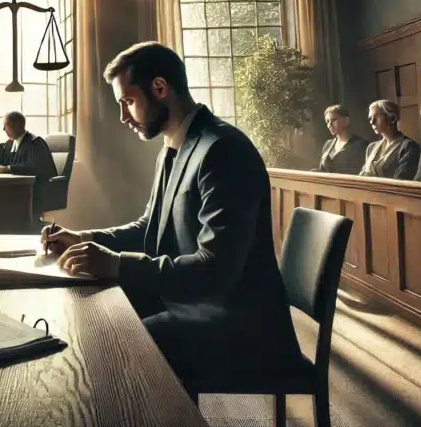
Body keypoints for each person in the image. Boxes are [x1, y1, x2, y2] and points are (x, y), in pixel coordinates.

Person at [40, 42, 302, 386]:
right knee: (96, 314)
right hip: (195, 305)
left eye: (128, 102)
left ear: (160, 88)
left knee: (120, 340)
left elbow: (216, 270)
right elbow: (150, 227)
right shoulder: (174, 146)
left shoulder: (223, 150)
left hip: (243, 327)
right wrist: (86, 238)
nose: (122, 116)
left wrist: (116, 263)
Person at [0, 110, 58, 215]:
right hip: (16, 189)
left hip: (34, 191)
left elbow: (36, 167)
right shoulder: (8, 144)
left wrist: (9, 168)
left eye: (7, 125)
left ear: (18, 125)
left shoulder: (35, 143)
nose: (4, 129)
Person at [359, 99, 420, 179]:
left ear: (392, 118)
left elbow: (401, 180)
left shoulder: (408, 147)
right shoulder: (371, 147)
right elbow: (362, 176)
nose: (372, 122)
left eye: (376, 117)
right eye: (370, 118)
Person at [314, 104, 367, 174]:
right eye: (327, 121)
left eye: (333, 120)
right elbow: (322, 170)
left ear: (346, 120)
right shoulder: (328, 144)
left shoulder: (360, 145)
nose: (330, 124)